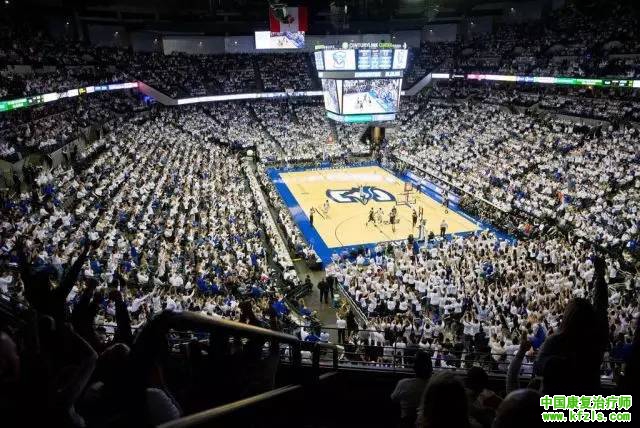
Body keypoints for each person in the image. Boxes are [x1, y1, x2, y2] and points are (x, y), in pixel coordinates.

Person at [391, 351, 433, 428]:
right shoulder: (434, 387)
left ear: (414, 368)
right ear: (431, 368)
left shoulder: (403, 384)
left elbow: (393, 399)